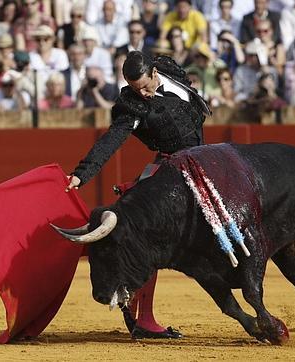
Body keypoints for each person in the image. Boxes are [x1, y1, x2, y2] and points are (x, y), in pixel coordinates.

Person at [65, 50, 210, 339]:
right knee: (147, 238)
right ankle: (143, 317)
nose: (142, 94)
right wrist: (83, 172)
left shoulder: (168, 67)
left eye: (144, 86)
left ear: (155, 73)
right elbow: (112, 139)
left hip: (203, 162)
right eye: (135, 89)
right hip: (171, 172)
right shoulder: (132, 104)